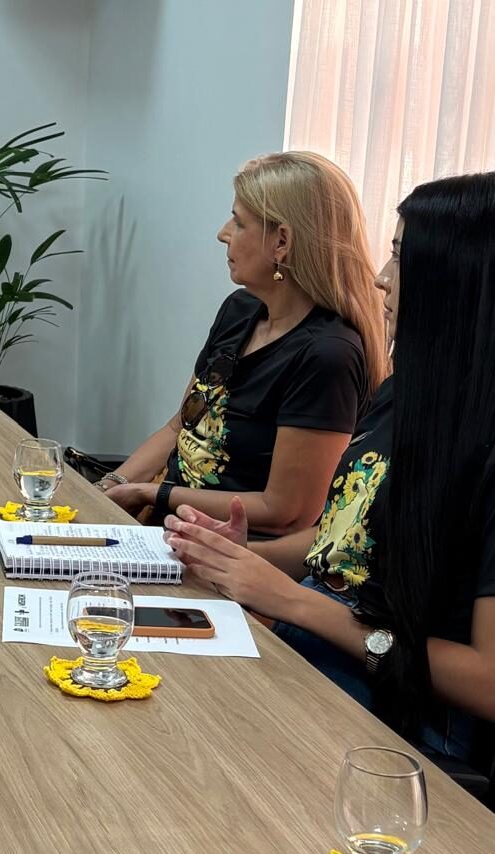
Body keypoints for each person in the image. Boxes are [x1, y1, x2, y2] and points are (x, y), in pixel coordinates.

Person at [165, 172, 495, 765]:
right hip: (323, 644)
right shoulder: (405, 394)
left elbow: (488, 682)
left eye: (402, 257)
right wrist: (238, 558)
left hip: (410, 720)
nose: (382, 277)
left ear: (462, 278)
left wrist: (295, 603)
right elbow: (341, 540)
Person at [99, 152, 388, 536]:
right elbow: (180, 425)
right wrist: (110, 487)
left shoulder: (327, 356)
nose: (223, 233)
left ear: (282, 242)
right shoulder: (240, 309)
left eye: (238, 222)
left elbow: (286, 511)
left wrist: (154, 494)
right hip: (167, 528)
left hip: (229, 552)